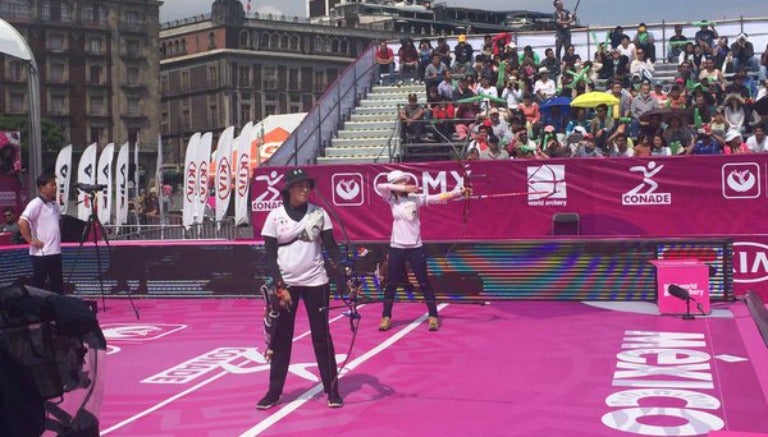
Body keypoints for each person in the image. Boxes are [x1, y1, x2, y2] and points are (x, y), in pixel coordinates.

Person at [257, 168, 344, 410]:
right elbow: (269, 257)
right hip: (287, 286)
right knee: (282, 338)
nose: (305, 189)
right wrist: (280, 286)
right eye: (299, 186)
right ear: (288, 190)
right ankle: (274, 392)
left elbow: (331, 247)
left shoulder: (319, 214)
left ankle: (332, 389)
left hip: (317, 282)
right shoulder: (274, 217)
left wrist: (344, 266)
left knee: (321, 337)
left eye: (307, 185)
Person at [375, 170, 470, 332]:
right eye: (401, 182)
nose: (404, 184)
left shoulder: (416, 199)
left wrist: (458, 192)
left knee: (424, 282)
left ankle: (433, 316)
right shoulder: (391, 199)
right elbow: (380, 185)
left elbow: (439, 197)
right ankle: (386, 317)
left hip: (415, 247)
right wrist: (398, 187)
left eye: (405, 181)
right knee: (391, 284)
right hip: (397, 247)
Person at [18, 173, 63, 294]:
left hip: (55, 251)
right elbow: (22, 222)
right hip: (41, 254)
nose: (55, 188)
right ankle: (31, 309)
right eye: (52, 185)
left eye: (55, 185)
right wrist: (31, 240)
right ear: (42, 188)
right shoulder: (36, 204)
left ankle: (57, 310)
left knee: (57, 285)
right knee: (38, 284)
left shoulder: (54, 205)